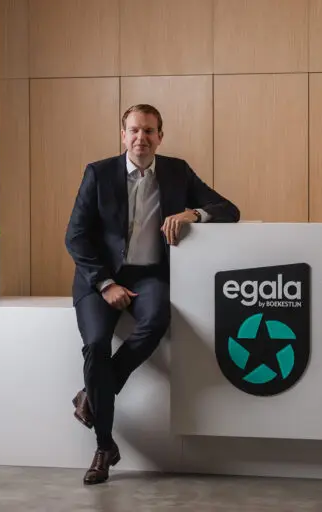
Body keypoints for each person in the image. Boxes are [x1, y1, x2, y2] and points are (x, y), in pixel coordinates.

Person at [65, 104, 240, 485]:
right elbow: (75, 237)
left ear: (160, 136)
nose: (140, 138)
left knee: (157, 319)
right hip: (100, 279)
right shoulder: (98, 173)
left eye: (148, 131)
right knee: (96, 345)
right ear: (122, 135)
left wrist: (193, 213)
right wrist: (105, 284)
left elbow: (229, 209)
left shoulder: (177, 171)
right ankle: (104, 446)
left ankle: (92, 394)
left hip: (149, 277)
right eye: (134, 131)